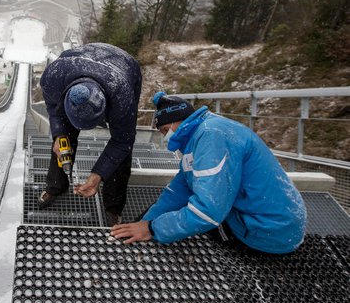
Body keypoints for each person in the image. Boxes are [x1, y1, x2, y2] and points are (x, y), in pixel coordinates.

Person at [110, 91, 307, 255]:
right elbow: (179, 191)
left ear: (175, 122)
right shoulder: (200, 134)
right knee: (167, 223)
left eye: (163, 130)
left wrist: (153, 229)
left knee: (192, 235)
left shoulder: (212, 136)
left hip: (269, 231)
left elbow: (208, 211)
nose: (165, 136)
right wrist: (145, 222)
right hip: (267, 219)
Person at [38, 43, 142, 226]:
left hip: (124, 67)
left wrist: (97, 175)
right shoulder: (52, 77)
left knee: (123, 150)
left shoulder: (122, 96)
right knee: (62, 142)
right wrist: (59, 134)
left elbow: (122, 141)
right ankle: (56, 186)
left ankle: (113, 206)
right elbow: (54, 110)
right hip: (78, 62)